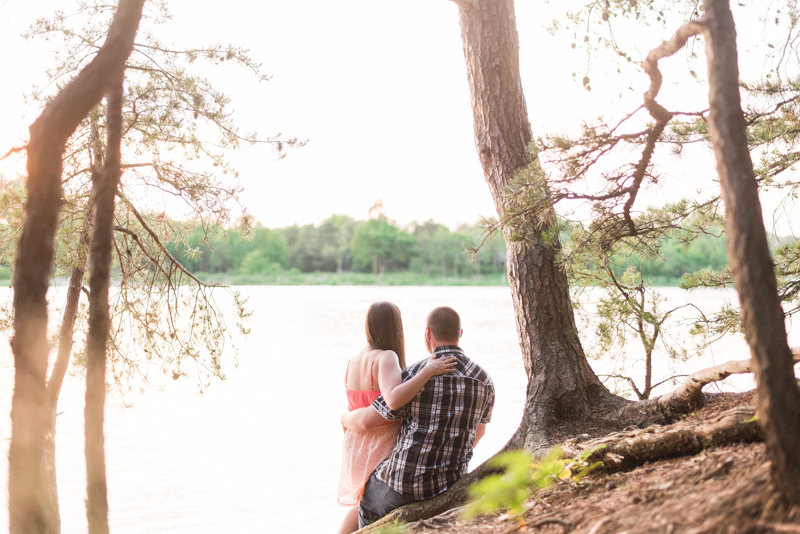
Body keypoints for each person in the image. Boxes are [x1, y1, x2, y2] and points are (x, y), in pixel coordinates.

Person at [341, 306, 495, 529]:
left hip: (404, 485)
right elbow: (479, 433)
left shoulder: (414, 376)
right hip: (451, 481)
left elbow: (372, 418)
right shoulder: (485, 380)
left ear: (427, 334)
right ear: (460, 334)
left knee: (368, 502)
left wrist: (344, 418)